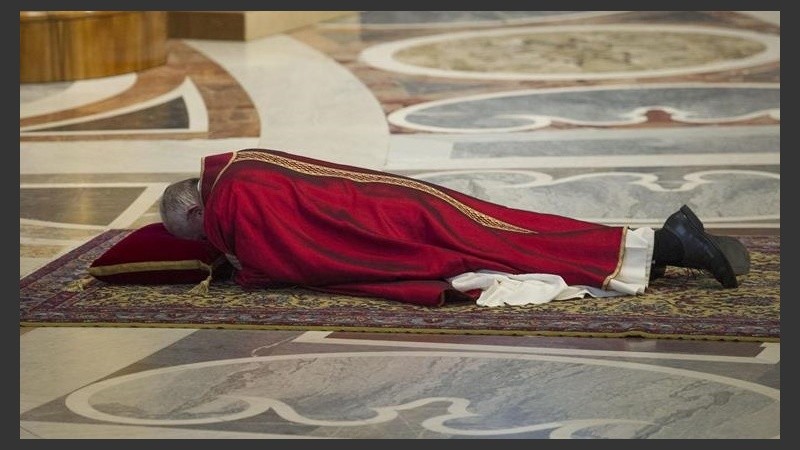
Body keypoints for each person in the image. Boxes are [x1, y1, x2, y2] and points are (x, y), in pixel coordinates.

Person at [159, 148, 750, 307]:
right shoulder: (238, 166)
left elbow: (299, 257)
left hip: (393, 233)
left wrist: (250, 272)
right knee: (518, 232)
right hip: (399, 200)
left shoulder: (233, 204)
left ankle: (672, 244)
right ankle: (657, 246)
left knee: (509, 252)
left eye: (202, 233)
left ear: (194, 210)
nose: (213, 239)